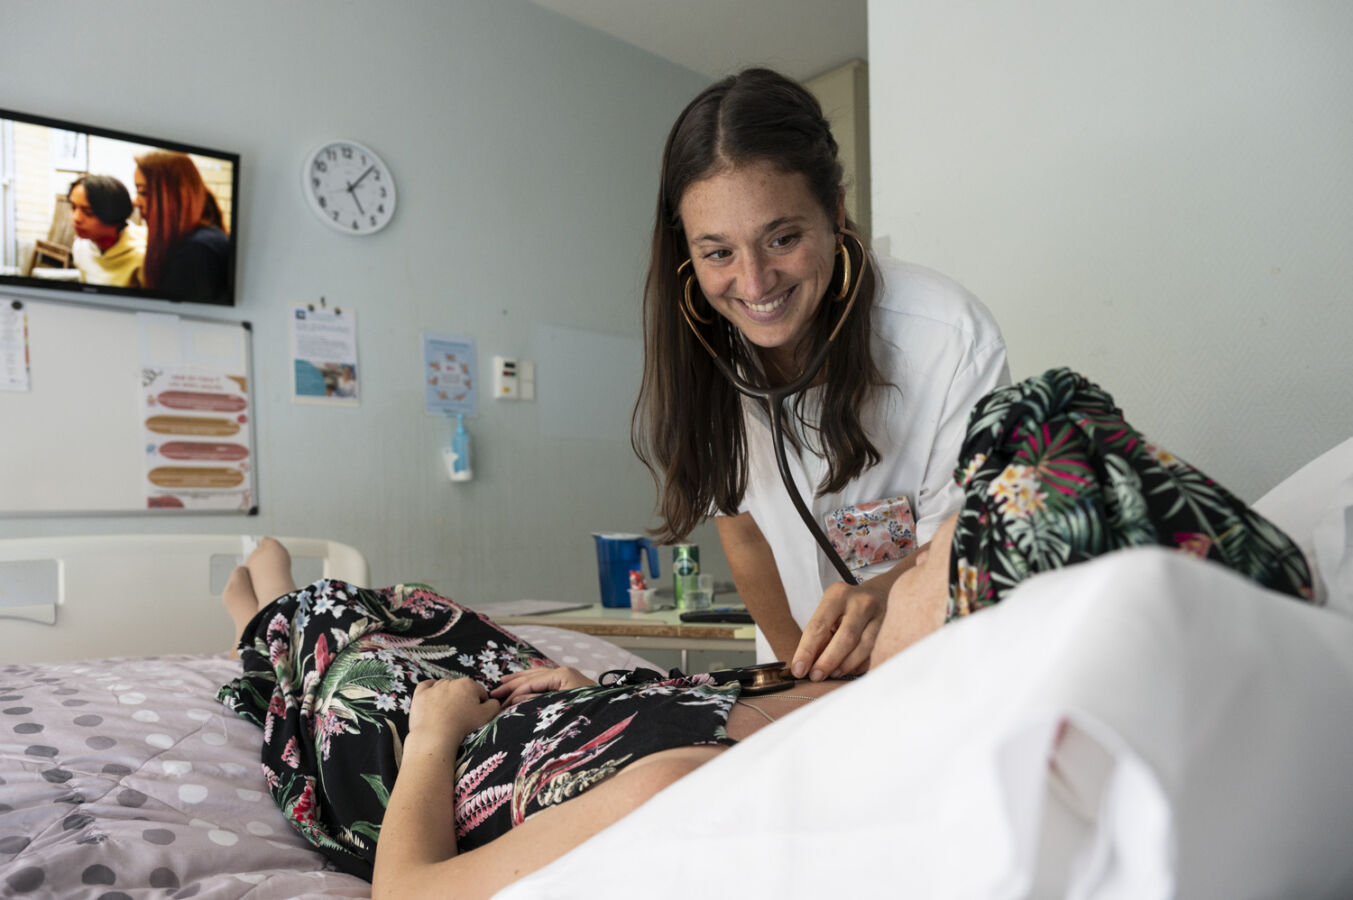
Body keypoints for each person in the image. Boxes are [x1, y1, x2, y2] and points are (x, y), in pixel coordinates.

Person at [219, 369, 1312, 899]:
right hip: (547, 707)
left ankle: (259, 586)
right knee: (425, 607)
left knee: (308, 613)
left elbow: (411, 895)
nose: (885, 580)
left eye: (926, 563)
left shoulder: (692, 790)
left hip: (431, 756)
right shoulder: (828, 700)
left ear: (981, 636)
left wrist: (433, 738)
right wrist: (576, 699)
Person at [631, 67, 1010, 683]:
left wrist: (882, 594)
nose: (754, 284)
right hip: (797, 671)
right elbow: (746, 533)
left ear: (834, 214)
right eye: (718, 252)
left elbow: (960, 547)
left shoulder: (947, 338)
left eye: (782, 238)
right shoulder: (705, 348)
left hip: (933, 665)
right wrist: (800, 685)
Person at [132, 150, 231, 302]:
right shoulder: (200, 241)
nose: (135, 202)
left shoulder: (198, 250)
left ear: (172, 196)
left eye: (143, 192)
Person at [67, 174, 146, 286]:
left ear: (114, 214)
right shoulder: (80, 246)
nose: (76, 218)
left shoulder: (141, 256)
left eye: (89, 212)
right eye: (73, 207)